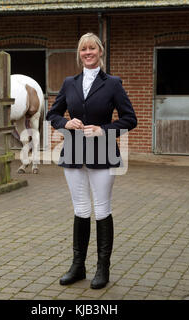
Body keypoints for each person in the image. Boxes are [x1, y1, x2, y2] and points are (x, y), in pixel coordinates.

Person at [46, 33, 137, 289]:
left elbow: (130, 119)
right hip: (73, 152)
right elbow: (52, 114)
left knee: (102, 209)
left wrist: (103, 130)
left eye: (92, 48)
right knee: (81, 209)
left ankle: (102, 269)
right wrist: (65, 122)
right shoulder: (69, 83)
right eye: (83, 49)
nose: (88, 52)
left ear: (100, 51)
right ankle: (78, 267)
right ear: (79, 53)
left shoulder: (113, 83)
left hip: (103, 153)